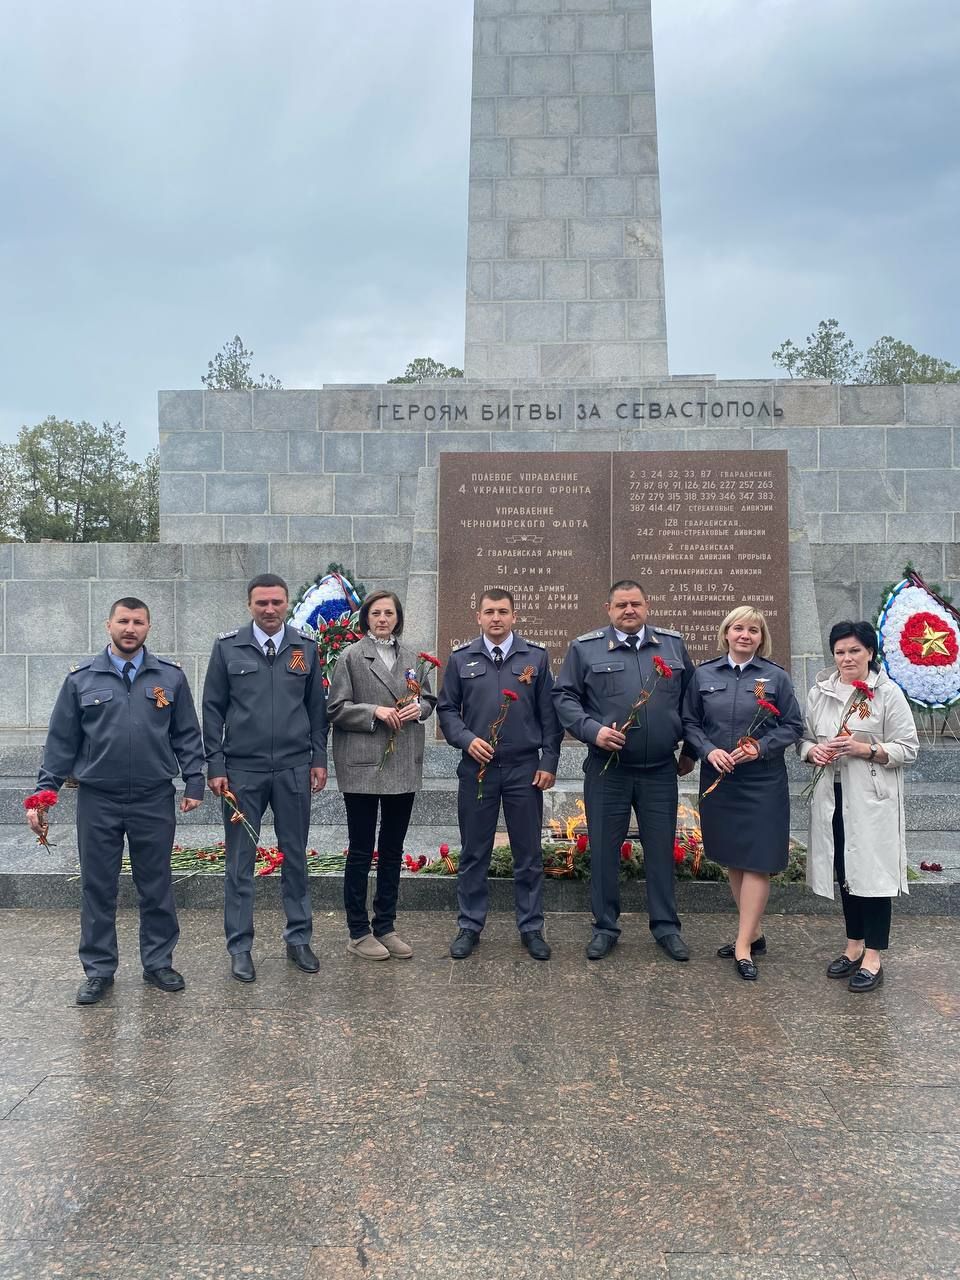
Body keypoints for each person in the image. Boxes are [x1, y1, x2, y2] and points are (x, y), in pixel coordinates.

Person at [29, 597, 204, 1005]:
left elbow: (186, 735)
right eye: (123, 621)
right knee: (97, 887)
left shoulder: (171, 678)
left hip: (152, 797)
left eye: (138, 622)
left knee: (156, 884)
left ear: (148, 627)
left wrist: (194, 780)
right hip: (98, 799)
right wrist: (43, 796)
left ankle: (158, 962)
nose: (130, 628)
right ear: (109, 625)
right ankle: (98, 970)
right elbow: (61, 742)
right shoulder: (81, 680)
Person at [553, 579, 695, 961]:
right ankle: (605, 927)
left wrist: (691, 752)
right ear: (608, 609)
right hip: (607, 770)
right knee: (603, 850)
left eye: (635, 604)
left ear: (647, 606)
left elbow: (691, 702)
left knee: (662, 851)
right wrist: (592, 731)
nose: (628, 610)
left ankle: (666, 927)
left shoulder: (672, 645)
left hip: (660, 770)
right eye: (621, 605)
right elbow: (564, 698)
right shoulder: (585, 648)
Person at [202, 574, 328, 983]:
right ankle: (240, 946)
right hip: (242, 772)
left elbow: (316, 711)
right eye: (262, 603)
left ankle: (298, 938)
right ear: (249, 604)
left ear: (287, 603)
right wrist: (216, 766)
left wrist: (318, 759)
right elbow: (212, 710)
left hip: (293, 768)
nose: (269, 609)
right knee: (240, 863)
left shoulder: (305, 648)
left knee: (295, 856)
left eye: (276, 602)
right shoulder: (227, 649)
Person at [437, 589, 562, 961]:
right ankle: (470, 925)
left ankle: (531, 927)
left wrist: (549, 762)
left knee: (528, 852)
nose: (496, 618)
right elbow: (446, 710)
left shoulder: (535, 658)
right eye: (489, 611)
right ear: (478, 617)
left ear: (514, 616)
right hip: (477, 769)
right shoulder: (461, 659)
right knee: (475, 852)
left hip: (524, 769)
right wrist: (466, 739)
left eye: (503, 612)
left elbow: (550, 717)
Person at [682, 606, 803, 980]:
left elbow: (793, 726)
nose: (745, 635)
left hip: (761, 782)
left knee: (757, 859)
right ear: (726, 633)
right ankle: (754, 932)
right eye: (738, 628)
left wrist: (761, 747)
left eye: (753, 630)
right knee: (734, 857)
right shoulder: (704, 674)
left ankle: (742, 946)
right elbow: (689, 721)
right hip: (720, 779)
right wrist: (707, 750)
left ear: (761, 638)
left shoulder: (775, 677)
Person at [799, 620, 919, 992]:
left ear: (870, 652)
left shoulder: (887, 694)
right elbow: (802, 739)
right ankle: (852, 946)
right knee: (846, 872)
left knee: (873, 876)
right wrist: (812, 751)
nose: (847, 658)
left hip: (870, 799)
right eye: (840, 651)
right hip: (832, 797)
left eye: (854, 651)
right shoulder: (820, 692)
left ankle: (873, 955)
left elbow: (909, 747)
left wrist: (866, 749)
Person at [327, 590, 437, 960]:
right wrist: (375, 711)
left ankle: (385, 925)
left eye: (389, 613)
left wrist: (417, 709)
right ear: (366, 618)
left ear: (398, 617)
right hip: (363, 764)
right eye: (376, 613)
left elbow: (428, 700)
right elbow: (337, 708)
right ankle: (358, 931)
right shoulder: (352, 657)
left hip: (402, 762)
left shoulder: (413, 657)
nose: (383, 619)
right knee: (361, 850)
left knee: (392, 849)